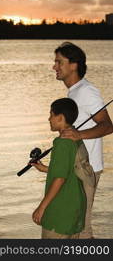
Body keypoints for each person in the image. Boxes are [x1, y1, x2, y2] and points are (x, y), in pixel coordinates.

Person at [52, 42, 113, 238]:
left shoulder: (86, 91)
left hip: (86, 170)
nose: (54, 67)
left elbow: (107, 125)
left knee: (82, 229)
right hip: (75, 168)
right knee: (75, 227)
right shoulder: (74, 92)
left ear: (74, 65)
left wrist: (79, 135)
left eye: (59, 62)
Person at [31, 98, 87, 239]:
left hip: (61, 210)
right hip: (75, 207)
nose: (49, 118)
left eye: (51, 114)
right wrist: (44, 169)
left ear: (60, 117)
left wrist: (41, 207)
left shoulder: (62, 143)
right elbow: (68, 170)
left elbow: (60, 178)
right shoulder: (76, 138)